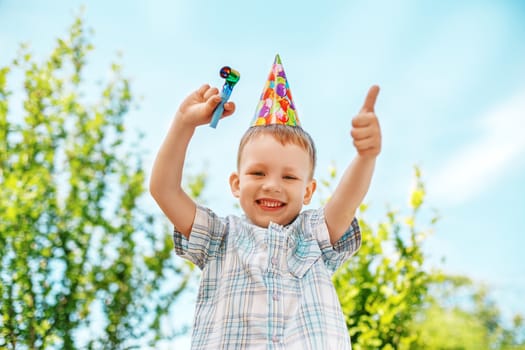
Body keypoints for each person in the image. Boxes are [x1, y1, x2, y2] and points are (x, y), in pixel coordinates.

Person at [150, 55, 381, 349]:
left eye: (289, 178)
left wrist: (365, 157)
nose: (272, 185)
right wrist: (183, 124)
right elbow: (163, 189)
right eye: (258, 173)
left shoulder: (313, 235)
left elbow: (347, 201)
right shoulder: (219, 238)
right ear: (236, 184)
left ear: (308, 192)